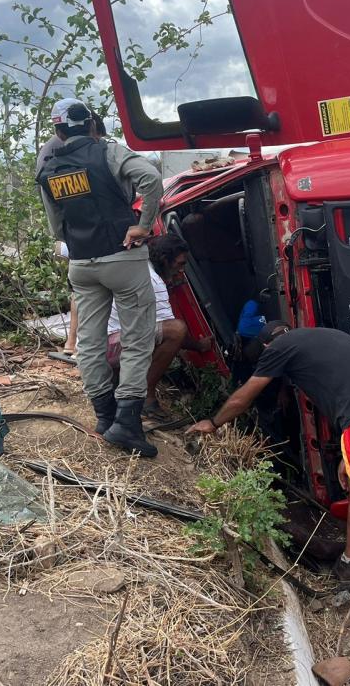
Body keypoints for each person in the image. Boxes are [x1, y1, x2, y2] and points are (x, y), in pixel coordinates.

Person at [186, 322, 350, 645]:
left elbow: (246, 396)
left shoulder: (276, 350)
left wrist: (214, 421)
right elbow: (346, 381)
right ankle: (348, 564)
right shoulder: (314, 337)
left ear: (266, 347)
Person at [37, 98, 162, 457]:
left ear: (58, 131)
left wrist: (74, 239)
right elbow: (151, 178)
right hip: (122, 256)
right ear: (92, 125)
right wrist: (142, 225)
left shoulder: (49, 165)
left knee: (89, 343)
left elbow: (55, 223)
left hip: (81, 263)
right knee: (137, 339)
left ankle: (104, 418)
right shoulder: (107, 152)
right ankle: (127, 422)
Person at [105, 234, 212, 418]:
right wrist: (199, 346)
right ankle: (145, 395)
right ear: (164, 260)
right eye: (179, 264)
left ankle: (119, 380)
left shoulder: (142, 266)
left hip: (101, 344)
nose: (182, 270)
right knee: (176, 330)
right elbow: (172, 333)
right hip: (110, 347)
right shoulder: (154, 282)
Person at [39, 114, 109, 360]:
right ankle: (79, 348)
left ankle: (71, 344)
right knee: (86, 291)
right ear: (91, 129)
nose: (98, 142)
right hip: (79, 235)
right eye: (98, 137)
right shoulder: (71, 153)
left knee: (78, 290)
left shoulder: (55, 151)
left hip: (69, 233)